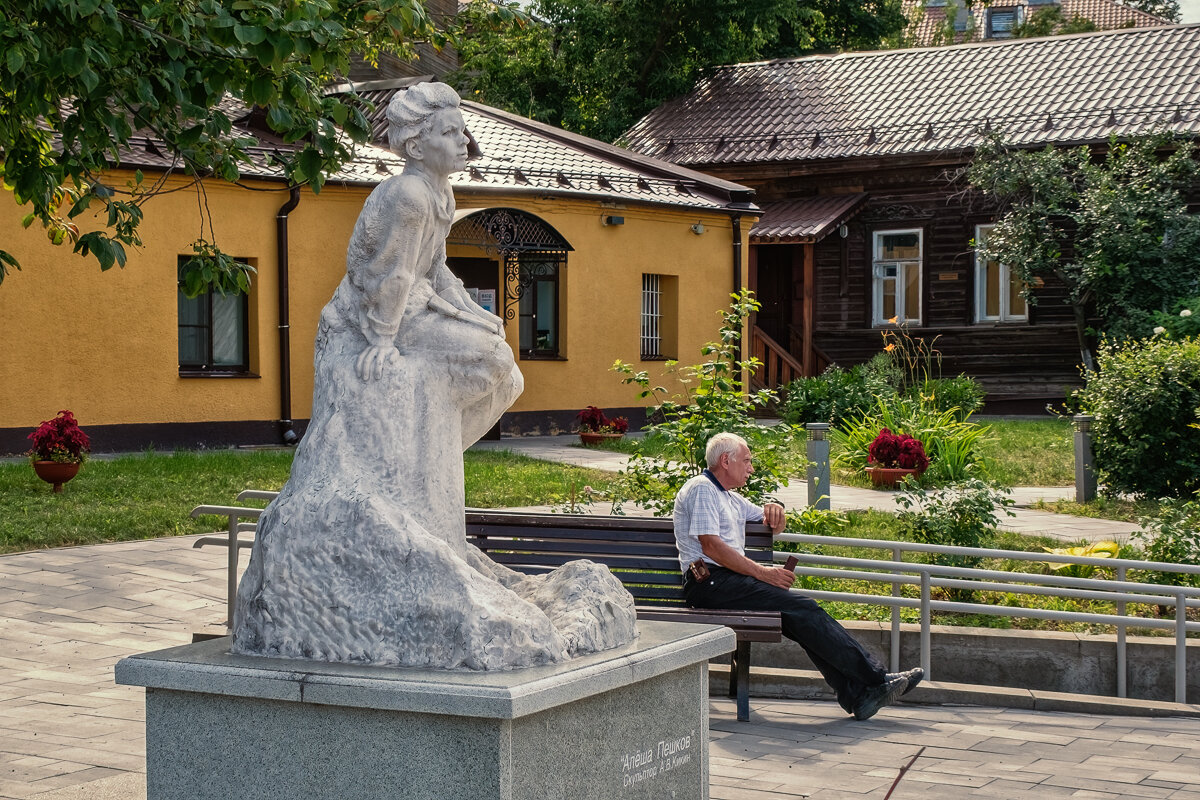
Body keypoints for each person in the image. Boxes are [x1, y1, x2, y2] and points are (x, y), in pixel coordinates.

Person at [673, 432, 923, 720]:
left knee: (800, 618)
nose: (751, 468)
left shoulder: (729, 498)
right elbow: (712, 547)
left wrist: (776, 511)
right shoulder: (702, 489)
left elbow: (770, 522)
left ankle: (858, 696)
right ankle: (876, 681)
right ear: (726, 461)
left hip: (726, 583)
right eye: (747, 461)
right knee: (804, 609)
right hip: (710, 584)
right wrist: (764, 573)